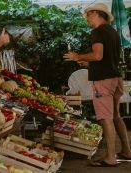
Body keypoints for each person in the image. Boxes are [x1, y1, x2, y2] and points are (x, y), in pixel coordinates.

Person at [63, 3, 131, 167]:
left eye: (88, 14)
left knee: (105, 118)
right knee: (116, 115)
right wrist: (87, 63)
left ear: (96, 13)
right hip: (115, 79)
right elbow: (107, 59)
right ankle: (127, 151)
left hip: (103, 81)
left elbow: (98, 55)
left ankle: (110, 157)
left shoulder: (97, 31)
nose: (86, 18)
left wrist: (77, 56)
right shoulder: (112, 32)